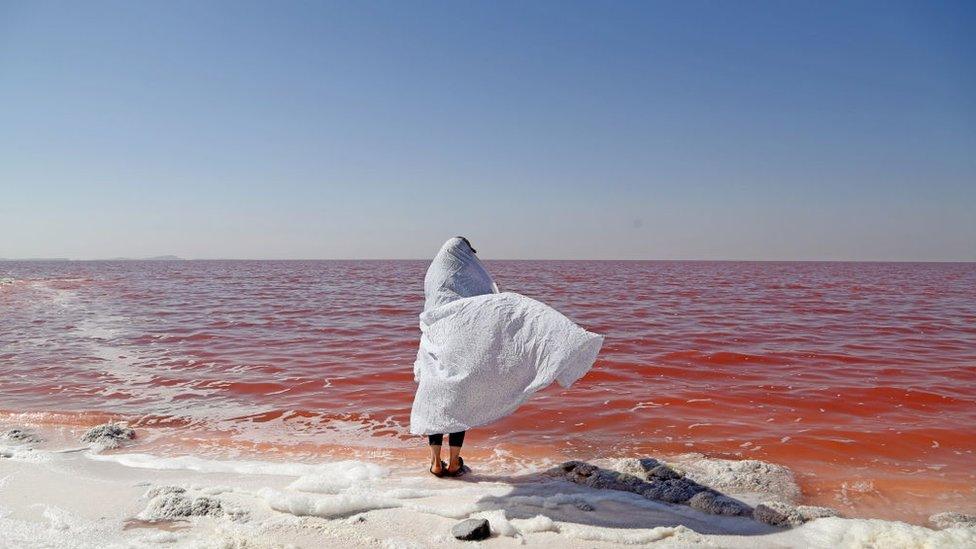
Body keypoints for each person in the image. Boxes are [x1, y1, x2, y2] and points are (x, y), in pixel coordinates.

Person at [410, 237, 603, 478]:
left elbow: (434, 309)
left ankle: (435, 462)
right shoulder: (465, 273)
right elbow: (479, 307)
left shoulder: (435, 276)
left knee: (437, 403)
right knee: (456, 403)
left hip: (435, 344)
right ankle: (454, 462)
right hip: (458, 348)